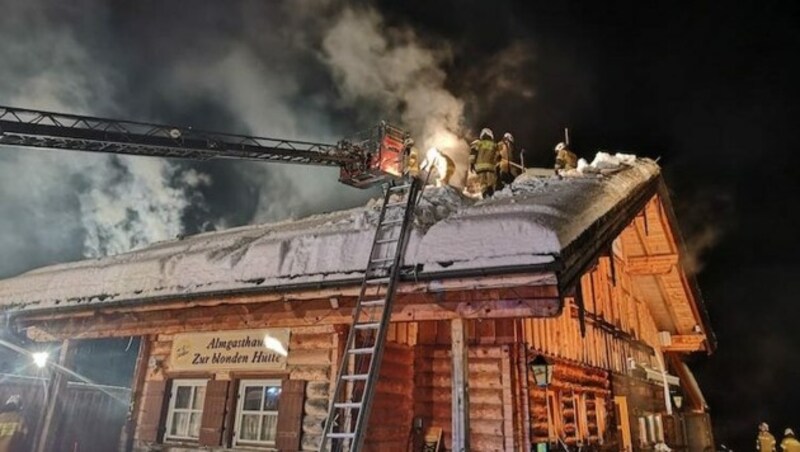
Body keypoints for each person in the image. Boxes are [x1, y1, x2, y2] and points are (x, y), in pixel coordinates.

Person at [469, 128, 499, 198]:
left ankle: (484, 193)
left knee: (482, 182)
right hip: (490, 166)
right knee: (491, 181)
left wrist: (471, 163)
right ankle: (491, 192)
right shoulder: (494, 144)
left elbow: (473, 153)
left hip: (479, 167)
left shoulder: (477, 143)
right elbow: (497, 156)